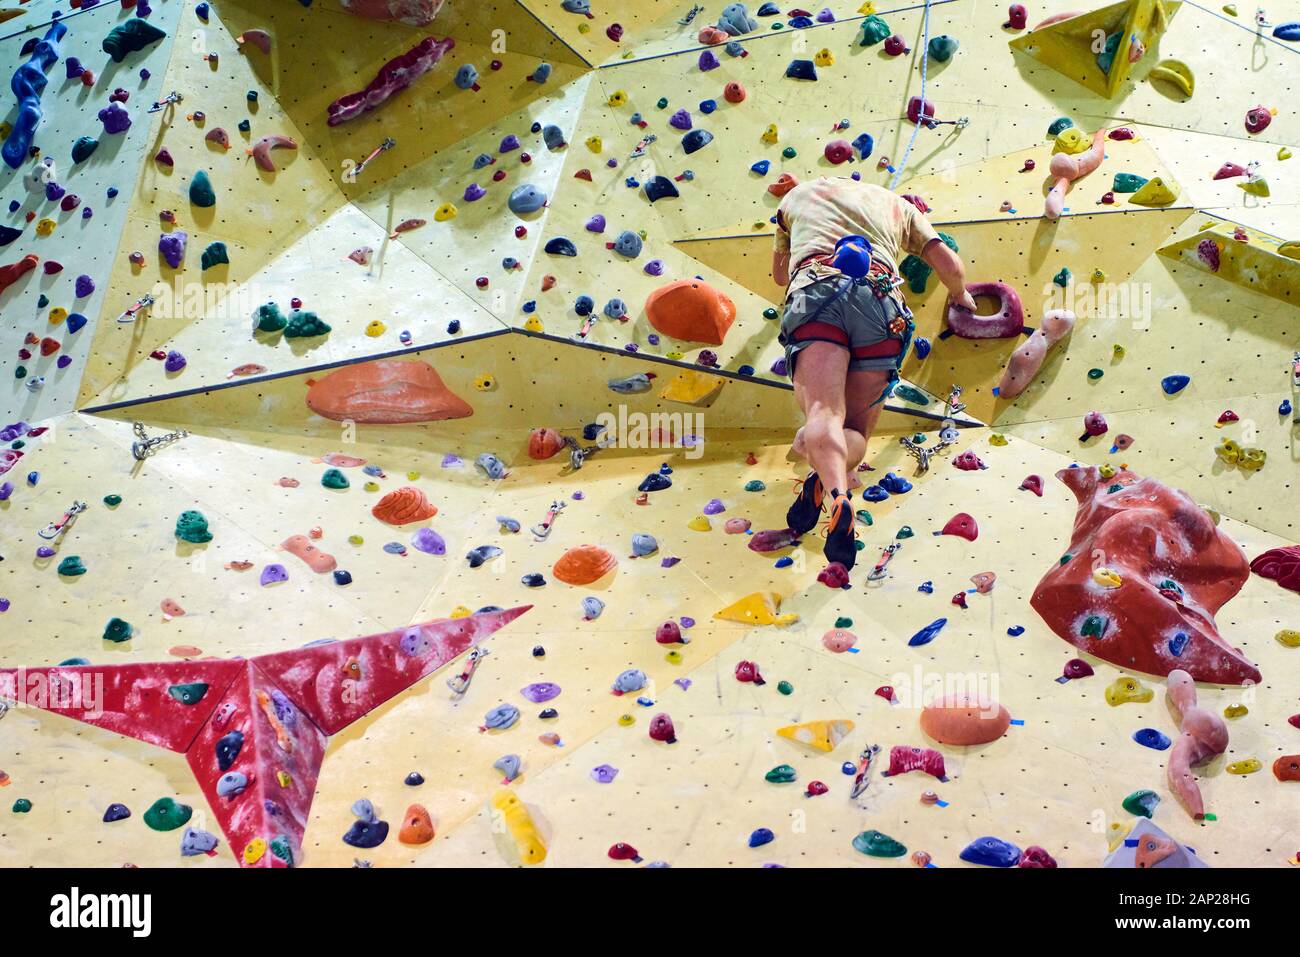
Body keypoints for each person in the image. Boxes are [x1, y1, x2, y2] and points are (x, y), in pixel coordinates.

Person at [772, 175, 975, 569]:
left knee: (823, 414)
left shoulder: (794, 200)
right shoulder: (899, 206)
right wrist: (959, 293)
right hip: (880, 302)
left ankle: (834, 493)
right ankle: (830, 480)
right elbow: (947, 262)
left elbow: (780, 276)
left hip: (817, 292)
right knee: (857, 430)